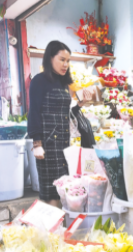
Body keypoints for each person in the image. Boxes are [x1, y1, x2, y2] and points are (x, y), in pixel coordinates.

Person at [27, 41, 92, 207]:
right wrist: (36, 143)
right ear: (50, 58)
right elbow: (33, 112)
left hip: (63, 144)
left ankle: (61, 228)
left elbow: (65, 113)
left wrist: (79, 105)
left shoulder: (64, 83)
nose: (66, 64)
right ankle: (53, 231)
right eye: (62, 59)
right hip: (47, 145)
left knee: (63, 188)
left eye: (68, 61)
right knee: (51, 193)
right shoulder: (39, 81)